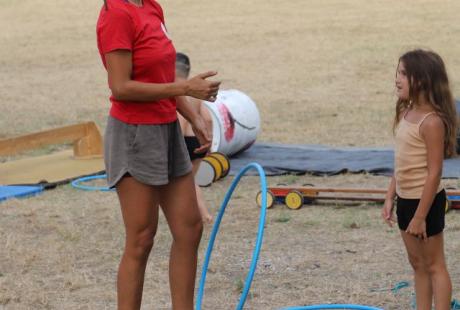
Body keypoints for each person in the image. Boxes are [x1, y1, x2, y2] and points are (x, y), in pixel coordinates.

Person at [96, 0, 220, 309]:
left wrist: (192, 116)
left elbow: (160, 78)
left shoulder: (151, 6)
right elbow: (121, 87)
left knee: (189, 228)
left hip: (167, 130)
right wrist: (185, 89)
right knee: (141, 239)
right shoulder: (117, 14)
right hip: (135, 134)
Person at [382, 49, 457, 310]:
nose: (397, 79)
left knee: (435, 265)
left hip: (426, 204)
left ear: (422, 80)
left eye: (403, 73)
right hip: (406, 201)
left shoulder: (431, 122)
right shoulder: (407, 113)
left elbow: (434, 172)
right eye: (398, 72)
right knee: (418, 265)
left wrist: (420, 216)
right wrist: (390, 195)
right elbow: (401, 163)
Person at [175, 52, 213, 224]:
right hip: (197, 141)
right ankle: (191, 214)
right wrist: (208, 141)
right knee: (190, 181)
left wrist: (177, 145)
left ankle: (203, 214)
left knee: (188, 183)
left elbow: (182, 121)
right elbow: (207, 118)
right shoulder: (194, 92)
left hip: (185, 141)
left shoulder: (178, 92)